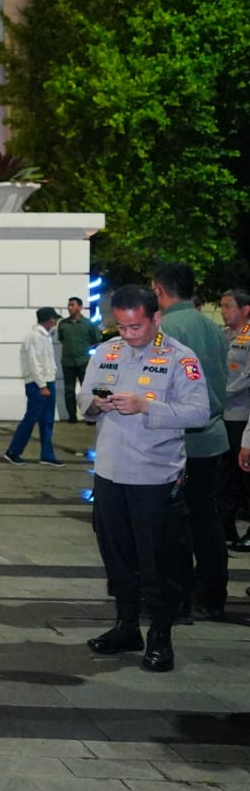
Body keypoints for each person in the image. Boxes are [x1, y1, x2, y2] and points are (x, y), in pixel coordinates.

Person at [79, 283, 210, 671]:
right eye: (121, 326)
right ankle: (125, 625)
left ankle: (160, 636)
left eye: (136, 326)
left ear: (155, 318)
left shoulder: (179, 358)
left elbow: (199, 413)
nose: (129, 334)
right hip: (109, 472)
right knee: (116, 554)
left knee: (159, 561)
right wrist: (95, 404)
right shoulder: (106, 352)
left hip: (154, 477)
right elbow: (83, 401)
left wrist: (145, 405)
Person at [152, 263, 230, 621]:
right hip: (212, 437)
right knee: (206, 518)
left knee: (175, 525)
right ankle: (213, 594)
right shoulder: (212, 327)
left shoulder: (164, 329)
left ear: (158, 289)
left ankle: (178, 599)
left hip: (177, 441)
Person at [3, 307, 64, 466]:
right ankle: (13, 451)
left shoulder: (44, 336)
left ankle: (47, 455)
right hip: (38, 384)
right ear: (49, 320)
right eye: (54, 319)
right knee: (31, 418)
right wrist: (42, 385)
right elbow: (34, 363)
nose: (55, 322)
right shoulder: (34, 337)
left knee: (47, 420)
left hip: (46, 382)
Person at [221, 288, 250, 551]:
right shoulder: (224, 335)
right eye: (222, 306)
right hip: (224, 415)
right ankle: (227, 525)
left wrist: (222, 393)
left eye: (228, 306)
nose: (223, 310)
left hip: (242, 414)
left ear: (245, 309)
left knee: (243, 475)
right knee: (227, 473)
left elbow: (246, 377)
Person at [57, 298, 102, 423]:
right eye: (69, 305)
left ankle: (89, 416)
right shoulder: (63, 324)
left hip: (84, 362)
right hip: (68, 362)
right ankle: (72, 416)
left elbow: (97, 340)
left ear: (80, 307)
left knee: (87, 390)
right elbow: (61, 339)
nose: (69, 307)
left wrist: (85, 351)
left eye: (72, 305)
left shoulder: (88, 324)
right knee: (69, 390)